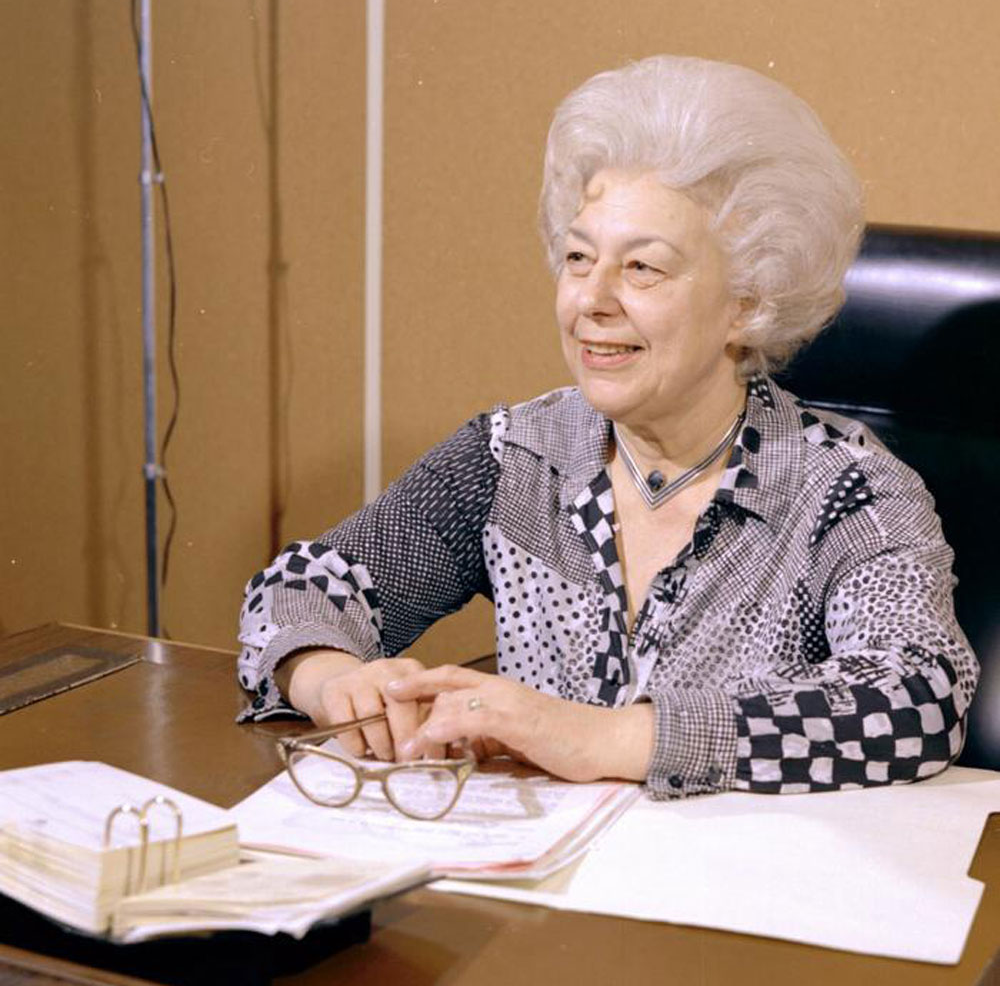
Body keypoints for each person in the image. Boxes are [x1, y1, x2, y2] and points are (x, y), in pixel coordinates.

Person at [236, 55, 978, 798]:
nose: (590, 299)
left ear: (748, 302)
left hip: (731, 899)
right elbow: (302, 588)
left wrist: (604, 737)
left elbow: (918, 695)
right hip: (536, 891)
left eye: (642, 269)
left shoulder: (845, 488)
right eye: (578, 257)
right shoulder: (515, 456)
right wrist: (333, 680)